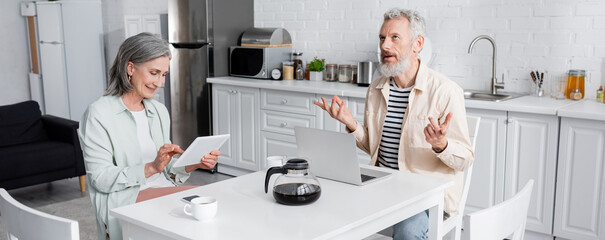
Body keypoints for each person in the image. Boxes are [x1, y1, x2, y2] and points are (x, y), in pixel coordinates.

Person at [315, 8, 473, 240]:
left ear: (417, 43)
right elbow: (376, 148)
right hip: (381, 186)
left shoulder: (445, 91)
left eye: (394, 38)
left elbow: (465, 159)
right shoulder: (376, 88)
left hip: (425, 196)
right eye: (382, 38)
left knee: (408, 231)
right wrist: (350, 123)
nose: (385, 46)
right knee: (327, 203)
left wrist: (441, 145)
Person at [78, 32, 220, 240]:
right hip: (122, 198)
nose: (160, 82)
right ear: (130, 68)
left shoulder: (158, 111)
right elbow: (100, 178)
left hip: (159, 188)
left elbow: (169, 172)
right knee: (197, 200)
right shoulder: (99, 114)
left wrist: (194, 163)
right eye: (154, 73)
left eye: (164, 75)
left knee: (205, 208)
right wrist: (151, 168)